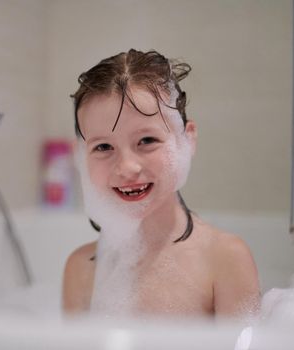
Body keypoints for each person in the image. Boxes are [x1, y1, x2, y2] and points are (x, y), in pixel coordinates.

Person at [62, 49, 260, 319]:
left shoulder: (224, 259)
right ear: (81, 156)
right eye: (104, 146)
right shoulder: (81, 269)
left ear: (187, 140)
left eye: (146, 141)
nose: (127, 167)